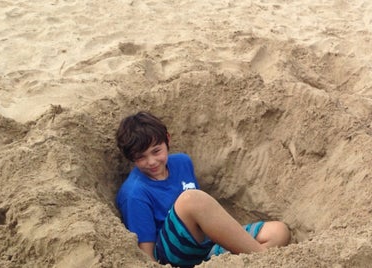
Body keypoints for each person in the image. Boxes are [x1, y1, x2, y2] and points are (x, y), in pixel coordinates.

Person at [115, 111, 290, 267]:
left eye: (156, 151)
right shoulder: (134, 193)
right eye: (141, 157)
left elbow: (206, 218)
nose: (152, 161)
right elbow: (146, 255)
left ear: (167, 140)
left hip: (204, 247)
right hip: (172, 256)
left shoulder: (182, 162)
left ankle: (234, 263)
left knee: (278, 231)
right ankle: (264, 261)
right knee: (191, 199)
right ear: (132, 158)